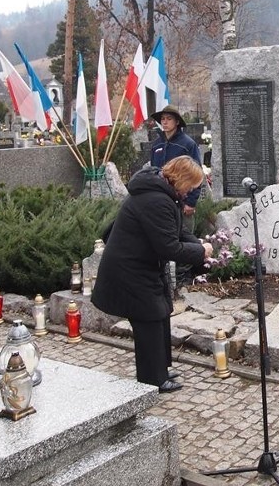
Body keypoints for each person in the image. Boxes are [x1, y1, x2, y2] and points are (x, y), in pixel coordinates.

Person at [91, 156, 213, 393]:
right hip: (129, 269)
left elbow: (177, 231)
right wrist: (200, 251)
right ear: (182, 180)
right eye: (192, 185)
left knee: (160, 313)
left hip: (141, 265)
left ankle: (161, 368)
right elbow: (168, 247)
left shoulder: (163, 193)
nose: (191, 191)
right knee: (148, 317)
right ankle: (151, 379)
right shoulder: (156, 200)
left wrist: (198, 244)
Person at [150, 106, 202, 219]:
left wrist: (191, 202)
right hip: (160, 199)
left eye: (169, 119)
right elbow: (152, 171)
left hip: (181, 201)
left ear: (177, 122)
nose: (165, 122)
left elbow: (197, 174)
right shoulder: (156, 145)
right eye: (163, 119)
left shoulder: (188, 144)